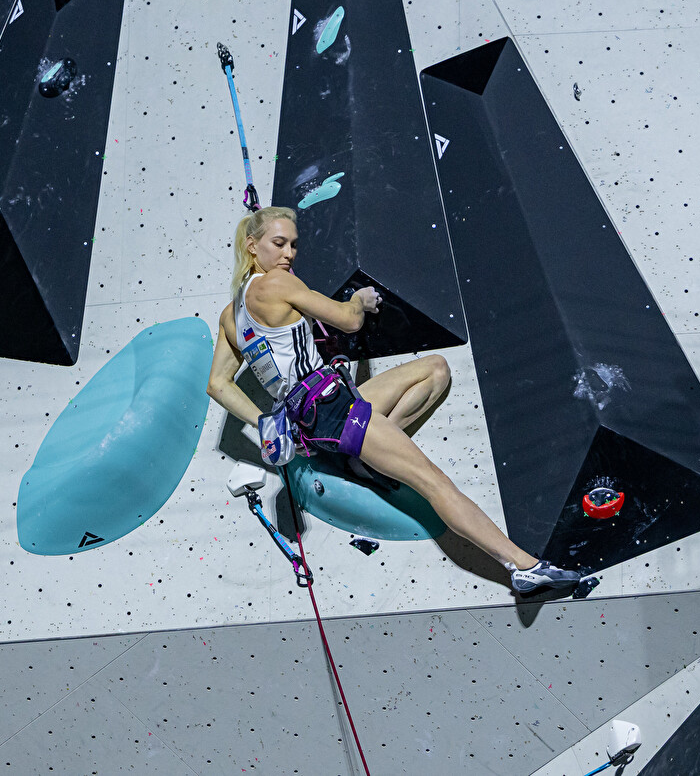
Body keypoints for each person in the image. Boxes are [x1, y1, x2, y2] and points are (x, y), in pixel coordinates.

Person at [205, 206, 580, 597]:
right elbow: (347, 320)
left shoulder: (231, 316)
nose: (288, 254)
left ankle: (363, 457)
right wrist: (360, 301)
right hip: (333, 411)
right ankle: (522, 567)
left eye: (294, 245)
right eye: (278, 243)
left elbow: (217, 384)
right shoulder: (277, 284)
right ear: (252, 246)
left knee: (434, 369)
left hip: (318, 412)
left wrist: (268, 422)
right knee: (434, 484)